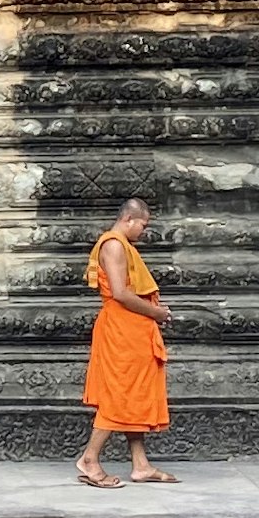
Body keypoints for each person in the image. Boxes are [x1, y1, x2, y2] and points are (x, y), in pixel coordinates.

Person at [76, 198, 173, 487]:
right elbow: (120, 293)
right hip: (122, 330)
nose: (143, 231)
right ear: (129, 219)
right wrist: (157, 312)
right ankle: (90, 458)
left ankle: (140, 465)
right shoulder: (115, 245)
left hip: (131, 329)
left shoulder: (122, 246)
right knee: (121, 394)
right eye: (143, 225)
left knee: (134, 393)